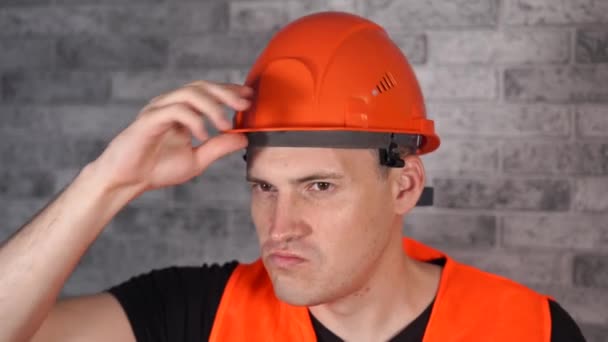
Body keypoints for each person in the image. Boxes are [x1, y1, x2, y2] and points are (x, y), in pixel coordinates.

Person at [0, 11, 586, 342]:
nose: (280, 227)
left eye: (319, 186)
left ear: (403, 186)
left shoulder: (529, 328)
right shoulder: (198, 314)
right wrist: (107, 182)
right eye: (264, 187)